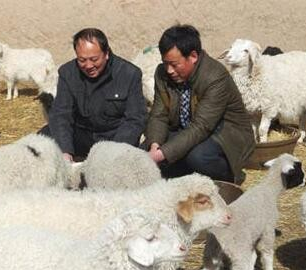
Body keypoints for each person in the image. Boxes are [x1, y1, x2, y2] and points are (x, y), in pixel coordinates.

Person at [144, 24, 255, 184]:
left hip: (223, 134)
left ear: (193, 56)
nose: (169, 70)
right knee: (144, 150)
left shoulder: (215, 77)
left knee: (198, 157)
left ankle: (229, 178)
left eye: (174, 65)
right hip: (186, 131)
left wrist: (161, 155)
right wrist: (154, 146)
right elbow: (159, 114)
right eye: (165, 63)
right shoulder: (162, 74)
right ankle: (184, 175)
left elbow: (201, 126)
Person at [47, 28, 147, 162]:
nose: (88, 66)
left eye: (94, 59)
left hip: (114, 138)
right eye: (82, 60)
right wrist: (65, 151)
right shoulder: (68, 73)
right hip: (82, 136)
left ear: (106, 53)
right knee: (45, 138)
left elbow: (135, 119)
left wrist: (113, 152)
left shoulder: (129, 74)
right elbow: (61, 114)